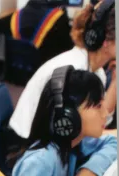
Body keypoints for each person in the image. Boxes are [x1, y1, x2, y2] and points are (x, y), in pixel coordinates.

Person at [8, 0, 116, 154]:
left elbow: (103, 117)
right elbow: (77, 133)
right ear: (107, 42)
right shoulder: (75, 72)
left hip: (53, 140)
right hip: (30, 147)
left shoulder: (95, 70)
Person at [9, 0, 73, 65]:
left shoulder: (15, 15)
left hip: (18, 69)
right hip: (46, 70)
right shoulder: (58, 17)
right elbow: (68, 49)